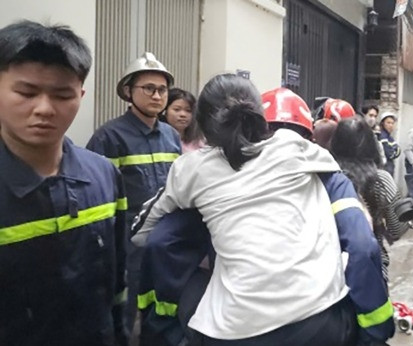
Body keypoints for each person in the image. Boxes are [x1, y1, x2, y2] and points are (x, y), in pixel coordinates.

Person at [131, 87, 394, 346]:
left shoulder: (195, 175)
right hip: (321, 326)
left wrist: (165, 330)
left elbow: (158, 242)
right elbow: (362, 245)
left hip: (232, 332)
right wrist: (374, 333)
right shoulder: (317, 166)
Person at [0, 20, 127, 345]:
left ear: (80, 95)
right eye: (26, 92)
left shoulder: (103, 175)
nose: (44, 109)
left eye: (62, 95)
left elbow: (116, 287)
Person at [86, 52, 181, 335]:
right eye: (149, 89)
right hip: (125, 244)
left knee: (162, 309)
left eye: (162, 90)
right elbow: (97, 194)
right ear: (129, 91)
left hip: (165, 240)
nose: (157, 96)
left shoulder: (171, 136)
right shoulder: (109, 137)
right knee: (125, 316)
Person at [330, 117, 410, 282]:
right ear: (371, 145)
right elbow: (397, 229)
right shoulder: (381, 180)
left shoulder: (325, 177)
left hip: (329, 272)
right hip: (371, 271)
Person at [161, 87, 204, 153]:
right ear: (165, 111)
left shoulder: (200, 141)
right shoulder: (158, 140)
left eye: (188, 110)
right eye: (177, 109)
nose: (183, 115)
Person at [377, 111, 401, 176]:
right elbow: (388, 154)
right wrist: (394, 152)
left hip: (389, 167)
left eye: (392, 123)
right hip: (384, 168)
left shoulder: (390, 138)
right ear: (383, 123)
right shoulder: (382, 136)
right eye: (388, 122)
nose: (391, 125)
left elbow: (398, 150)